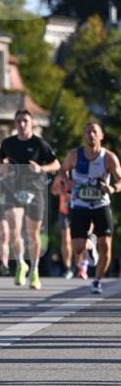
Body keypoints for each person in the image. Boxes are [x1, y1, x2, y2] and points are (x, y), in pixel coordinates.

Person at [0, 109, 60, 290]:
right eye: (18, 121)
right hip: (13, 191)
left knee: (32, 234)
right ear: (15, 124)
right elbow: (0, 157)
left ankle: (34, 269)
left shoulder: (39, 143)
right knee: (14, 229)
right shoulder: (8, 143)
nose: (22, 124)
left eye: (25, 121)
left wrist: (41, 169)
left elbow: (56, 164)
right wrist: (3, 167)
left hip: (35, 192)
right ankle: (20, 263)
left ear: (32, 124)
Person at [58, 120, 121, 295]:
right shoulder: (74, 155)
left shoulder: (108, 157)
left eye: (94, 132)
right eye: (88, 132)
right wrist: (68, 181)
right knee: (78, 247)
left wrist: (113, 188)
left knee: (106, 246)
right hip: (79, 205)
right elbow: (62, 170)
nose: (91, 135)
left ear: (101, 136)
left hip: (101, 205)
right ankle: (89, 244)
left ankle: (97, 280)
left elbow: (120, 180)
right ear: (84, 136)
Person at [50, 171, 74, 278]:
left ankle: (81, 266)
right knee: (66, 239)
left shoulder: (80, 173)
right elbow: (53, 191)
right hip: (64, 211)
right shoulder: (60, 175)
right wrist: (59, 190)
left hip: (79, 210)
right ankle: (68, 267)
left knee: (79, 239)